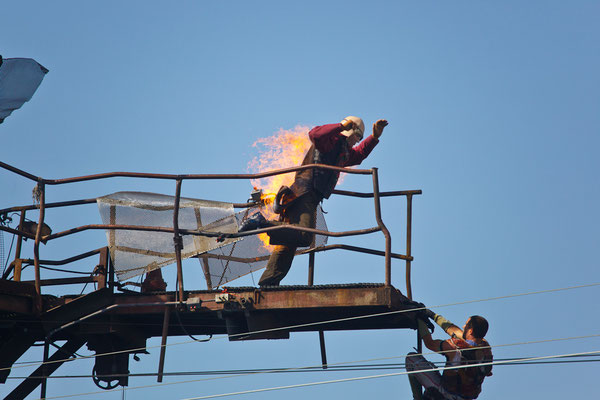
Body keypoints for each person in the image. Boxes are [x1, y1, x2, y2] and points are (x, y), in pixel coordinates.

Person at [239, 116, 388, 286]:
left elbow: (359, 155)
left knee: (288, 244)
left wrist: (374, 137)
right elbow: (315, 135)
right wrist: (340, 126)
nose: (357, 142)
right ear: (350, 133)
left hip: (305, 196)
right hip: (304, 194)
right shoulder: (330, 143)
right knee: (303, 236)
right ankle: (260, 223)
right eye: (358, 137)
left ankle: (268, 283)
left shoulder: (342, 152)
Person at [406, 311, 493, 400]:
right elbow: (455, 331)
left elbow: (429, 344)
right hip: (466, 397)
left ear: (470, 331)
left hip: (446, 393)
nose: (463, 327)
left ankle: (417, 398)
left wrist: (420, 320)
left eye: (466, 325)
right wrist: (433, 315)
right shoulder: (486, 349)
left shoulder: (455, 346)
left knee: (411, 358)